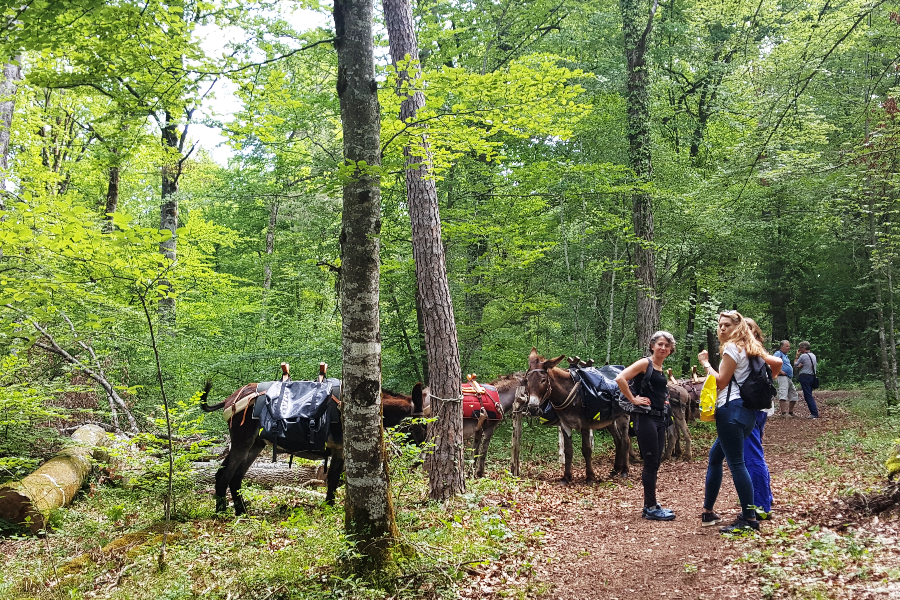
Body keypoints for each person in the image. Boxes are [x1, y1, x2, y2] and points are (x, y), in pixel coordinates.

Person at [697, 310, 769, 533]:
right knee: (715, 457)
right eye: (720, 325)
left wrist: (706, 364)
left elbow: (720, 382)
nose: (722, 329)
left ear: (738, 328)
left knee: (737, 463)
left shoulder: (731, 348)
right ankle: (708, 512)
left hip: (731, 412)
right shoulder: (751, 349)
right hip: (747, 414)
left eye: (727, 325)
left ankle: (749, 518)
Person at [616, 331, 677, 522]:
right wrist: (633, 399)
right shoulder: (645, 363)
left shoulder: (659, 368)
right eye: (660, 344)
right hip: (645, 418)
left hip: (659, 419)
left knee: (655, 462)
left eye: (667, 346)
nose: (663, 348)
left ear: (670, 350)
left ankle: (650, 504)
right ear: (652, 346)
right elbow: (620, 378)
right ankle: (650, 507)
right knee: (650, 462)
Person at [744, 319, 782, 520]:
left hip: (752, 408)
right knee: (755, 451)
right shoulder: (755, 348)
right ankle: (766, 497)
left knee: (752, 456)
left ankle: (760, 506)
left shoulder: (752, 349)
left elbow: (777, 363)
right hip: (760, 407)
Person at [794, 341, 820, 418]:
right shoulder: (813, 355)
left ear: (804, 348)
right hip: (812, 376)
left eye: (800, 348)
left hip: (805, 377)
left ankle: (814, 413)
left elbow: (795, 364)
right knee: (809, 394)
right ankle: (814, 412)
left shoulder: (803, 356)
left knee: (808, 395)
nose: (799, 350)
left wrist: (796, 356)